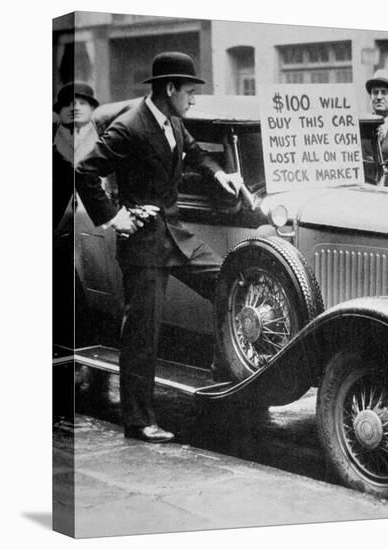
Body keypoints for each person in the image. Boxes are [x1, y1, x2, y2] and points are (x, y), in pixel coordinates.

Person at [75, 52, 243, 444]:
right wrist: (115, 216)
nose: (194, 98)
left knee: (229, 283)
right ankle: (138, 421)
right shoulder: (130, 127)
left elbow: (196, 153)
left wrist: (222, 175)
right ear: (170, 89)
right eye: (189, 91)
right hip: (144, 245)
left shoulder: (173, 122)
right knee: (142, 335)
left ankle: (223, 373)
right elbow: (84, 171)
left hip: (176, 236)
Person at [53, 82, 101, 348]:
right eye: (69, 104)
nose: (75, 109)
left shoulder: (102, 142)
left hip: (83, 229)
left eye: (82, 103)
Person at [364, 69, 388, 149]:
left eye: (384, 92)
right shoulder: (363, 127)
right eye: (375, 92)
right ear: (370, 97)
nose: (379, 97)